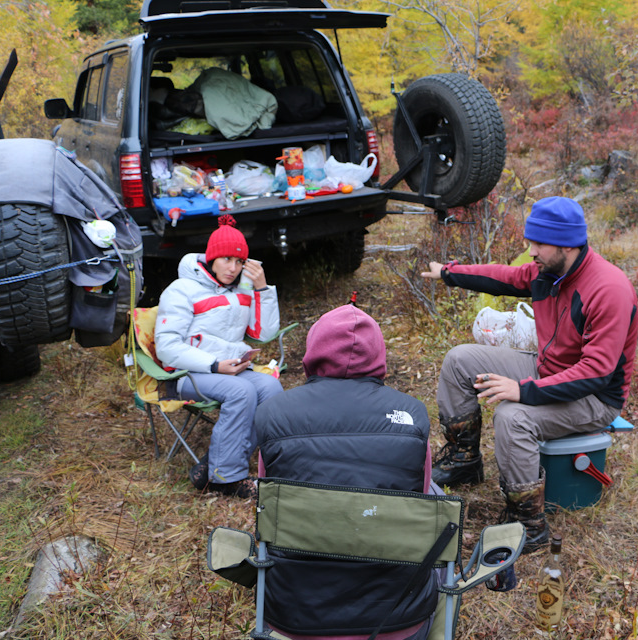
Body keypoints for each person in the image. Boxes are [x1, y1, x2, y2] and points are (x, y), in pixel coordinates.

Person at [420, 196, 638, 552]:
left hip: (593, 397)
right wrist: (450, 272)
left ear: (566, 243)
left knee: (512, 416)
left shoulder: (608, 289)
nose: (531, 251)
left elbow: (596, 374)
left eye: (538, 243)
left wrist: (524, 390)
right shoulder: (549, 272)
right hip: (549, 370)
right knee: (459, 359)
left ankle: (528, 523)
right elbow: (504, 277)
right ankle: (464, 460)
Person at [254, 304, 435, 640]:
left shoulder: (272, 413)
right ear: (379, 354)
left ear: (314, 350)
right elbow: (419, 501)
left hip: (295, 619)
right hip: (397, 620)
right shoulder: (413, 414)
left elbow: (268, 504)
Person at [155, 214, 283, 499]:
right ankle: (227, 479)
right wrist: (214, 365)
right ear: (211, 257)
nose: (233, 268)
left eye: (239, 262)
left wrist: (261, 289)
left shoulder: (238, 292)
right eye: (226, 259)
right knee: (242, 392)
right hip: (185, 375)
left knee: (272, 388)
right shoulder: (181, 290)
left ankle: (212, 466)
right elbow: (166, 348)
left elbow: (263, 333)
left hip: (229, 369)